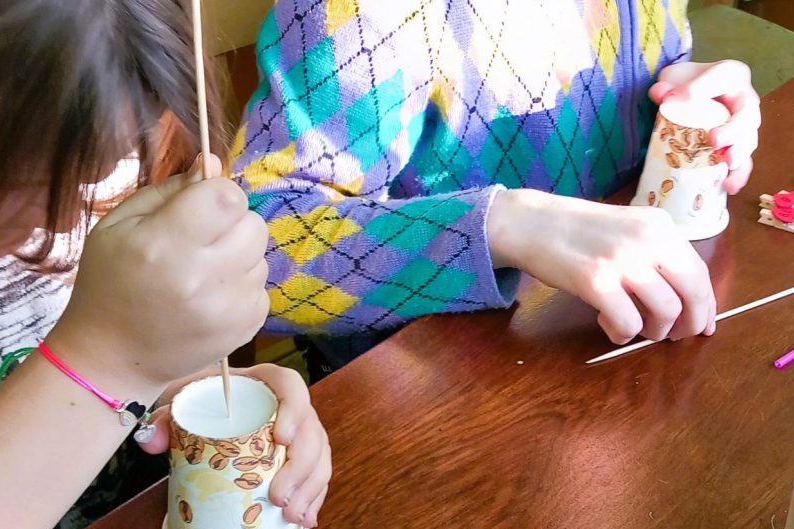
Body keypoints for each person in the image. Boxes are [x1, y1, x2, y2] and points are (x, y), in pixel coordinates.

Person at [0, 0, 331, 529]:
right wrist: (106, 357)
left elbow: (122, 391)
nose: (69, 219)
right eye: (28, 180)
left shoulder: (104, 181)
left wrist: (183, 388)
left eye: (105, 172)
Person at [232, 0, 760, 368]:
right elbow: (254, 259)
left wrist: (684, 107)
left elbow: (640, 75)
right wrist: (503, 226)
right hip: (429, 390)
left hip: (612, 343)